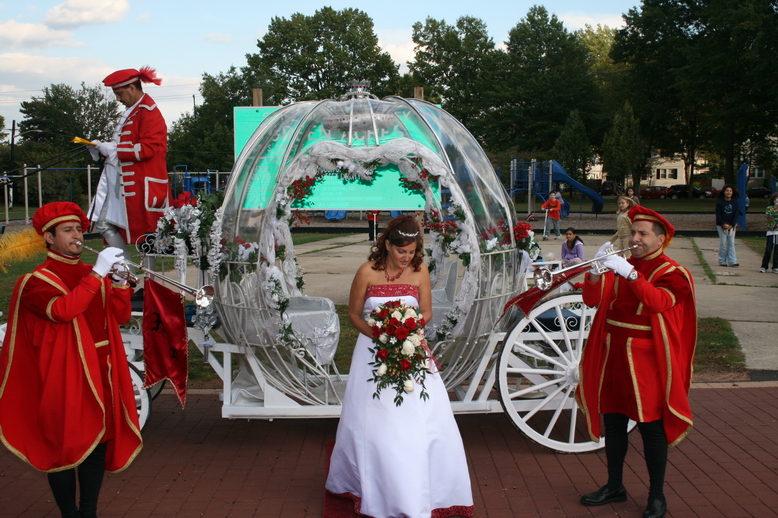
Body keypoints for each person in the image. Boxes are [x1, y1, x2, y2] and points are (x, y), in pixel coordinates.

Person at [0, 202, 143, 518]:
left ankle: (88, 512)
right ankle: (69, 513)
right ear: (48, 238)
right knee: (63, 446)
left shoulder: (91, 273)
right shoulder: (35, 281)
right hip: (67, 374)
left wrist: (120, 285)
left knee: (98, 443)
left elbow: (118, 316)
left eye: (78, 229)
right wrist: (98, 274)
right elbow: (63, 310)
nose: (77, 235)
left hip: (103, 368)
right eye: (67, 230)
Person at [326, 215, 474, 518]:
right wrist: (383, 335)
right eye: (401, 251)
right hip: (372, 352)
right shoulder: (366, 272)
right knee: (375, 420)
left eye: (411, 252)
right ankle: (374, 483)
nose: (406, 258)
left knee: (418, 417)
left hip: (411, 349)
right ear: (387, 245)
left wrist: (406, 331)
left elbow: (427, 312)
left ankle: (419, 482)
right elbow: (354, 315)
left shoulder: (420, 272)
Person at [576, 205, 696, 518]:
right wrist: (595, 269)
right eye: (634, 232)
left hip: (647, 360)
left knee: (650, 429)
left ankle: (657, 495)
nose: (636, 238)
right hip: (613, 353)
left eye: (643, 233)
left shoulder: (674, 274)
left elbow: (657, 303)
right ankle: (614, 485)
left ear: (661, 239)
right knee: (613, 424)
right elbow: (591, 300)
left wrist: (629, 273)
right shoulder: (621, 265)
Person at [89, 66, 170, 261]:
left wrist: (115, 150)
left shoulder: (148, 111)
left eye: (120, 93)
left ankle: (135, 279)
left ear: (132, 88)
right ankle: (127, 274)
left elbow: (149, 149)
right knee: (104, 224)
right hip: (125, 189)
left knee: (147, 240)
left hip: (143, 189)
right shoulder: (134, 111)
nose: (118, 99)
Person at [715, 184, 741, 267]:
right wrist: (723, 224)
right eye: (727, 191)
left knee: (731, 242)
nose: (728, 192)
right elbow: (718, 214)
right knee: (723, 243)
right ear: (724, 192)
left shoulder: (735, 202)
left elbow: (735, 214)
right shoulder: (720, 202)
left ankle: (732, 261)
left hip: (731, 225)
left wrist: (732, 225)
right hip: (721, 225)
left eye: (730, 191)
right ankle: (722, 261)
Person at [760, 192, 778, 273]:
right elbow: (769, 216)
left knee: (777, 250)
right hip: (771, 231)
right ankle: (764, 266)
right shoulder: (769, 208)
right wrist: (775, 209)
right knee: (768, 249)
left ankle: (775, 266)